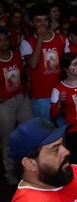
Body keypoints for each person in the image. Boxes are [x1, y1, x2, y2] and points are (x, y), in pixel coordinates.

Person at [0, 28, 34, 185]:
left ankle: (31, 167)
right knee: (7, 138)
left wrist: (28, 81)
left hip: (22, 99)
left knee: (30, 133)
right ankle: (10, 172)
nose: (3, 43)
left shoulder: (16, 55)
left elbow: (26, 68)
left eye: (5, 39)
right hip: (5, 104)